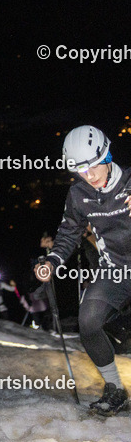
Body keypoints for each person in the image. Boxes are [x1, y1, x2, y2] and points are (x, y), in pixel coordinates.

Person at [37, 126, 130, 415]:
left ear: (107, 155)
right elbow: (68, 233)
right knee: (88, 321)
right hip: (115, 270)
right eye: (80, 171)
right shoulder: (78, 194)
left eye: (91, 167)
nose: (88, 176)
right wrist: (52, 262)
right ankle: (115, 389)